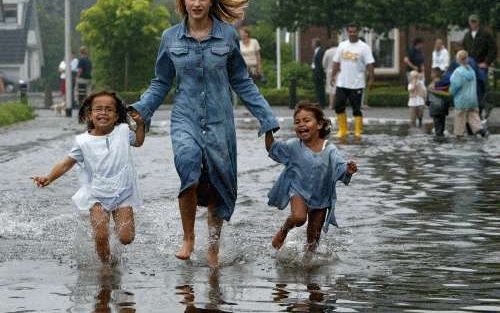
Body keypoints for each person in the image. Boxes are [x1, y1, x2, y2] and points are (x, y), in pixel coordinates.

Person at [129, 0, 279, 267]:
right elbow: (161, 81)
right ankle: (188, 238)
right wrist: (142, 109)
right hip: (185, 117)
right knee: (188, 166)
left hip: (220, 120)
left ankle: (212, 248)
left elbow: (242, 81)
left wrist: (267, 118)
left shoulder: (227, 35)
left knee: (217, 184)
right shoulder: (170, 37)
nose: (196, 3)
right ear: (182, 3)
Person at [31, 91, 145, 263]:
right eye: (98, 109)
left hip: (123, 192)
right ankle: (106, 267)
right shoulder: (82, 141)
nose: (103, 113)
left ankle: (113, 235)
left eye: (109, 109)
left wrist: (140, 125)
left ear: (116, 116)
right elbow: (66, 163)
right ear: (90, 115)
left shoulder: (123, 131)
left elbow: (138, 141)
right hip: (96, 194)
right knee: (100, 235)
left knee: (126, 238)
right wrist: (48, 178)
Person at [265, 103, 357, 252]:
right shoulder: (293, 146)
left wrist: (348, 170)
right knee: (299, 218)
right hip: (298, 192)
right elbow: (273, 148)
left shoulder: (329, 149)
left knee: (313, 240)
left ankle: (308, 270)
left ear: (320, 124)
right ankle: (284, 229)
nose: (301, 124)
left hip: (321, 197)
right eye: (297, 122)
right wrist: (268, 129)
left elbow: (340, 168)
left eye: (306, 120)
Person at [331, 23, 375, 138]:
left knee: (356, 109)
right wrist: (333, 75)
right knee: (338, 106)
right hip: (342, 82)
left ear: (358, 32)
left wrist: (371, 78)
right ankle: (342, 130)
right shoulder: (342, 46)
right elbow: (336, 62)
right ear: (347, 32)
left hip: (357, 83)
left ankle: (357, 131)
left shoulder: (364, 47)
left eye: (354, 31)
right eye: (350, 32)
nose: (352, 34)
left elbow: (370, 64)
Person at [462, 14, 497, 118]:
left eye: (475, 21)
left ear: (478, 22)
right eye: (471, 21)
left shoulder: (485, 34)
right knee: (470, 89)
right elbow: (464, 50)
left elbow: (493, 49)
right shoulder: (467, 35)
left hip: (481, 66)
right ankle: (474, 112)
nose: (473, 23)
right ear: (469, 22)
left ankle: (482, 110)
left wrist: (486, 62)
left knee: (480, 88)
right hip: (469, 66)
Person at [450, 50, 488, 138]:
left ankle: (459, 136)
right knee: (474, 117)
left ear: (458, 60)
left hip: (461, 100)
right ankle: (481, 130)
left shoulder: (458, 72)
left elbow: (455, 86)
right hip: (472, 100)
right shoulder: (472, 71)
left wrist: (451, 92)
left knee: (460, 118)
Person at [426, 67, 450, 137]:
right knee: (442, 123)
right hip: (443, 107)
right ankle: (441, 135)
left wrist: (427, 103)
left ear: (434, 74)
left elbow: (428, 97)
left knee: (437, 125)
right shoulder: (444, 84)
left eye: (431, 73)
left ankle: (438, 138)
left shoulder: (432, 85)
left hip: (435, 107)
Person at [322, 40, 337, 109]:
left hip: (330, 71)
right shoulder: (340, 51)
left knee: (331, 88)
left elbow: (324, 63)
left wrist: (326, 68)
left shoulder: (328, 52)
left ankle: (331, 105)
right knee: (338, 88)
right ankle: (337, 104)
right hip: (339, 71)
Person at [311, 38, 327, 108]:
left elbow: (321, 63)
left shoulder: (321, 51)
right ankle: (319, 102)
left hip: (319, 73)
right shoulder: (316, 51)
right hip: (316, 72)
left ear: (316, 44)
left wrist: (320, 72)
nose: (311, 45)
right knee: (318, 88)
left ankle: (321, 103)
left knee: (320, 88)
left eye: (312, 43)